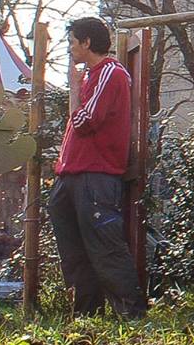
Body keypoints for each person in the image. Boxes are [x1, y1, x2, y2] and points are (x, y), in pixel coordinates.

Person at [47, 17, 145, 318]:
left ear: (87, 42)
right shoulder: (92, 76)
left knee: (105, 245)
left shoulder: (109, 72)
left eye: (73, 42)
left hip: (95, 173)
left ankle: (131, 313)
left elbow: (84, 121)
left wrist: (74, 91)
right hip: (72, 172)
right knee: (75, 250)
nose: (70, 49)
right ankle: (86, 314)